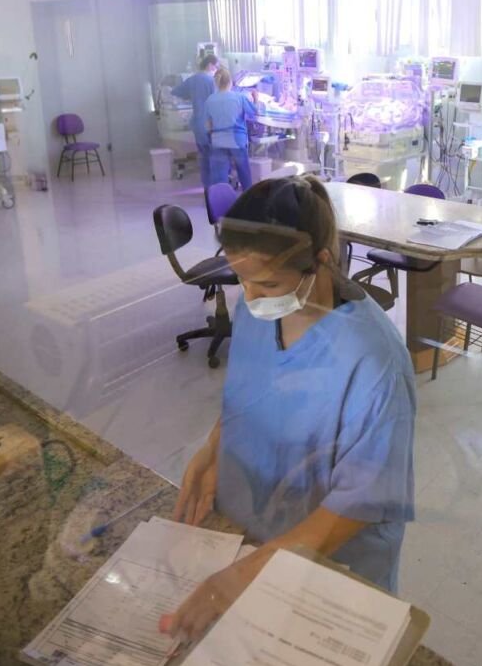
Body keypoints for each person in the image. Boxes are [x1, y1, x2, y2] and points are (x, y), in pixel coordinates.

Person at [161, 176, 415, 642]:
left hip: (330, 565)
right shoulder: (258, 312)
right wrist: (213, 450)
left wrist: (249, 573)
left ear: (321, 262)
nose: (250, 297)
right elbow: (249, 393)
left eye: (267, 282)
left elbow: (360, 502)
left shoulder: (373, 361)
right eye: (241, 279)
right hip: (255, 534)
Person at [203, 67, 257, 190]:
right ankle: (248, 195)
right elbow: (254, 112)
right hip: (237, 140)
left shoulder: (210, 100)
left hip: (218, 140)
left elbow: (207, 125)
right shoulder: (240, 98)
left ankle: (221, 198)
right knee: (243, 172)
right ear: (231, 82)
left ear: (216, 82)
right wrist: (256, 99)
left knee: (219, 176)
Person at [171, 53, 218, 187]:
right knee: (215, 156)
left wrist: (192, 96)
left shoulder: (192, 80)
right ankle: (217, 187)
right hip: (210, 124)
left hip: (198, 123)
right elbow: (220, 99)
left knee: (204, 156)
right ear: (210, 65)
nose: (216, 70)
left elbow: (175, 92)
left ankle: (207, 188)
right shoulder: (211, 81)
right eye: (216, 67)